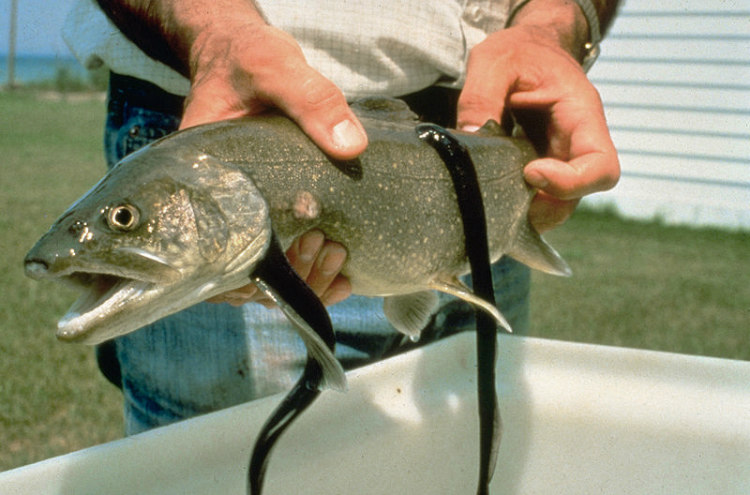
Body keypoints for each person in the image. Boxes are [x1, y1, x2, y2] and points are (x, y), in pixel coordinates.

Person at [63, 0, 620, 434]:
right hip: (219, 107)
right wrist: (215, 34)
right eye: (125, 220)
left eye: (123, 221)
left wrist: (553, 25)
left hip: (485, 146)